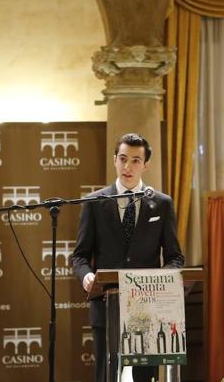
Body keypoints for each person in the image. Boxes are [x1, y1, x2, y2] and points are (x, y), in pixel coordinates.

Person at [72, 133, 185, 382]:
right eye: (122, 159)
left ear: (146, 165)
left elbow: (175, 257)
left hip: (148, 308)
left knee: (145, 378)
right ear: (114, 160)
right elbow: (79, 257)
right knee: (106, 376)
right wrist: (87, 276)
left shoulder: (162, 204)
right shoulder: (94, 203)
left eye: (135, 160)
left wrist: (161, 282)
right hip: (106, 307)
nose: (127, 167)